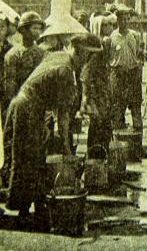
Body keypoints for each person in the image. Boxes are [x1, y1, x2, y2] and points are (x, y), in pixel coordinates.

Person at [5, 33, 102, 227]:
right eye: (86, 57)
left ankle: (28, 206)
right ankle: (29, 211)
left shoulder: (58, 55)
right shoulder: (65, 70)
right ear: (79, 52)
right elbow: (63, 115)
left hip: (21, 104)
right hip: (28, 107)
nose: (86, 62)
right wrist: (66, 148)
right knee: (31, 157)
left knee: (27, 157)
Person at [1, 12, 46, 186]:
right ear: (23, 30)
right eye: (33, 28)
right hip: (18, 108)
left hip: (37, 108)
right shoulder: (12, 55)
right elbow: (9, 87)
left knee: (37, 151)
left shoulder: (42, 54)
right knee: (17, 151)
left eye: (38, 28)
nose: (36, 32)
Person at [81, 13, 117, 158]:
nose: (111, 27)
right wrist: (88, 98)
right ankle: (96, 161)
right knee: (98, 127)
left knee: (102, 127)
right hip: (97, 94)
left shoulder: (104, 45)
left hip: (103, 93)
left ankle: (99, 160)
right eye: (107, 25)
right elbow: (87, 74)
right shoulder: (97, 49)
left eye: (111, 24)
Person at [108, 5, 144, 137]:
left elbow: (139, 55)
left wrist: (138, 67)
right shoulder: (111, 37)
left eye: (126, 19)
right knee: (117, 108)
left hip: (133, 75)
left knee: (136, 108)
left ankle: (138, 146)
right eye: (121, 19)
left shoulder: (135, 36)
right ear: (117, 21)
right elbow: (108, 59)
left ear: (129, 20)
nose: (123, 22)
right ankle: (117, 148)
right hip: (118, 75)